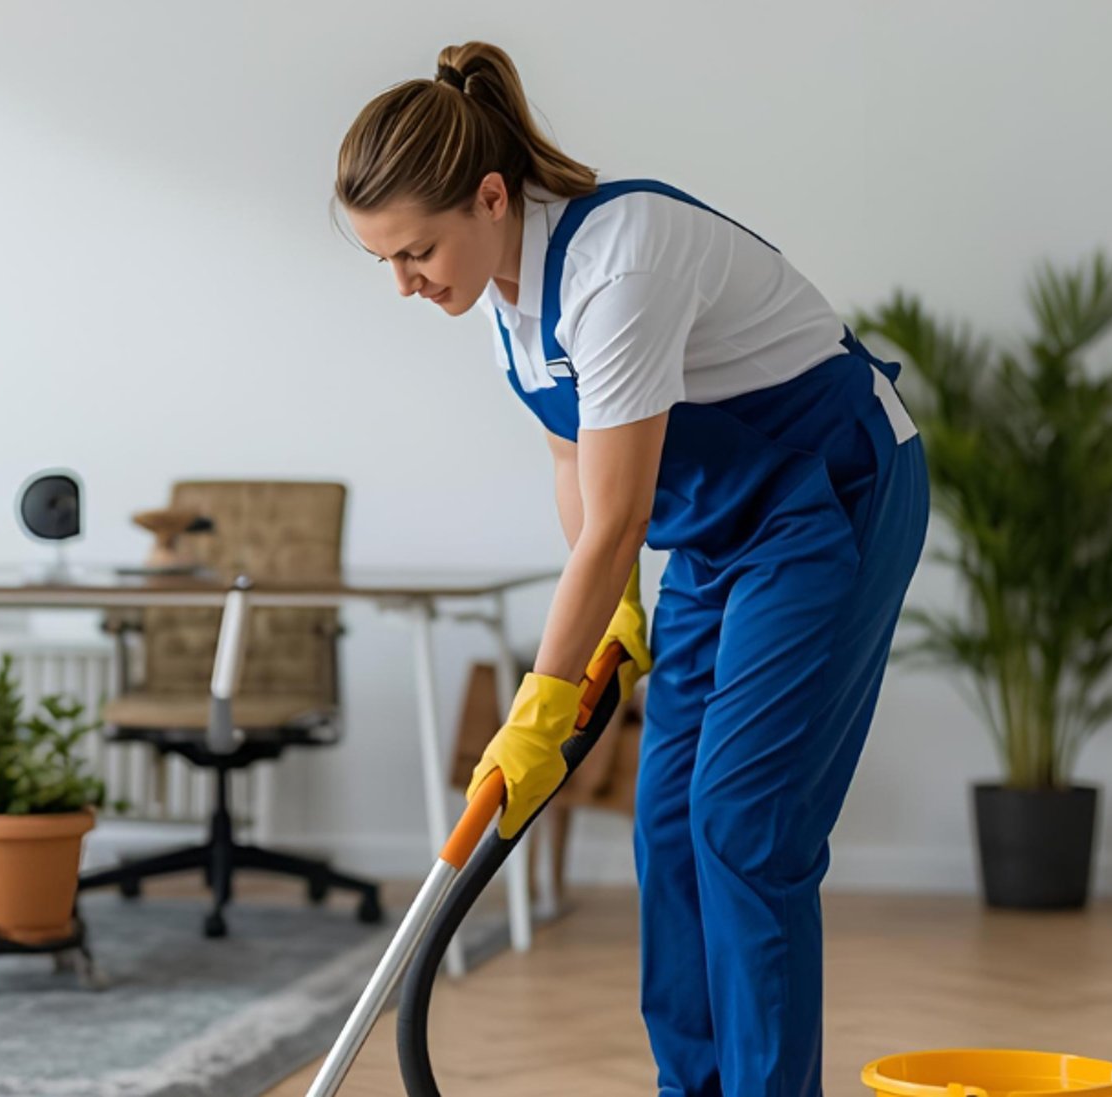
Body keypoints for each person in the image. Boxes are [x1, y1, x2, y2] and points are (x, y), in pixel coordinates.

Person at [333, 40, 930, 1097]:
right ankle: (688, 1086)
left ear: (488, 197)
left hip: (828, 498)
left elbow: (614, 520)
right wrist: (613, 615)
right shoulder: (506, 303)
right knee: (668, 816)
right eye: (382, 260)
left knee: (746, 819)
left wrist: (539, 705)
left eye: (413, 252)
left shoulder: (621, 260)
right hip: (716, 533)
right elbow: (575, 460)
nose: (401, 284)